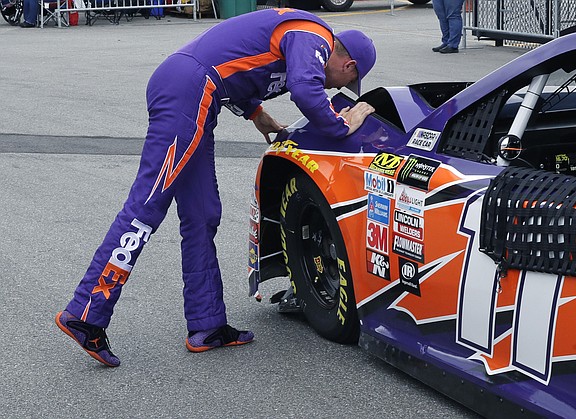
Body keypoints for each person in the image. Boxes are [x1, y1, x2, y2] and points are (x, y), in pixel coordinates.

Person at [55, 7, 377, 367]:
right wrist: (341, 125)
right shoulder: (313, 34)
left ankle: (207, 325)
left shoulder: (303, 42)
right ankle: (86, 311)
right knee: (147, 205)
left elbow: (238, 62)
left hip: (199, 97)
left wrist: (257, 114)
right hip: (186, 89)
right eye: (343, 82)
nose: (336, 87)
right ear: (349, 66)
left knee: (203, 213)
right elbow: (306, 88)